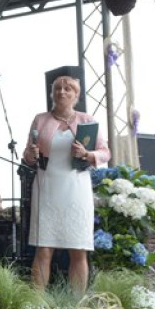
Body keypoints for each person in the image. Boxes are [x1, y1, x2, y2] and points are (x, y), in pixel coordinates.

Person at [23, 75, 110, 291]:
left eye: (68, 88)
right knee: (43, 249)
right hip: (47, 187)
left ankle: (77, 304)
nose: (62, 92)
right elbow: (28, 156)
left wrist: (87, 154)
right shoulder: (40, 119)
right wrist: (31, 154)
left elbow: (105, 152)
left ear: (76, 95)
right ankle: (37, 303)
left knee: (78, 249)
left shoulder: (87, 119)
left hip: (76, 189)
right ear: (52, 93)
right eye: (57, 88)